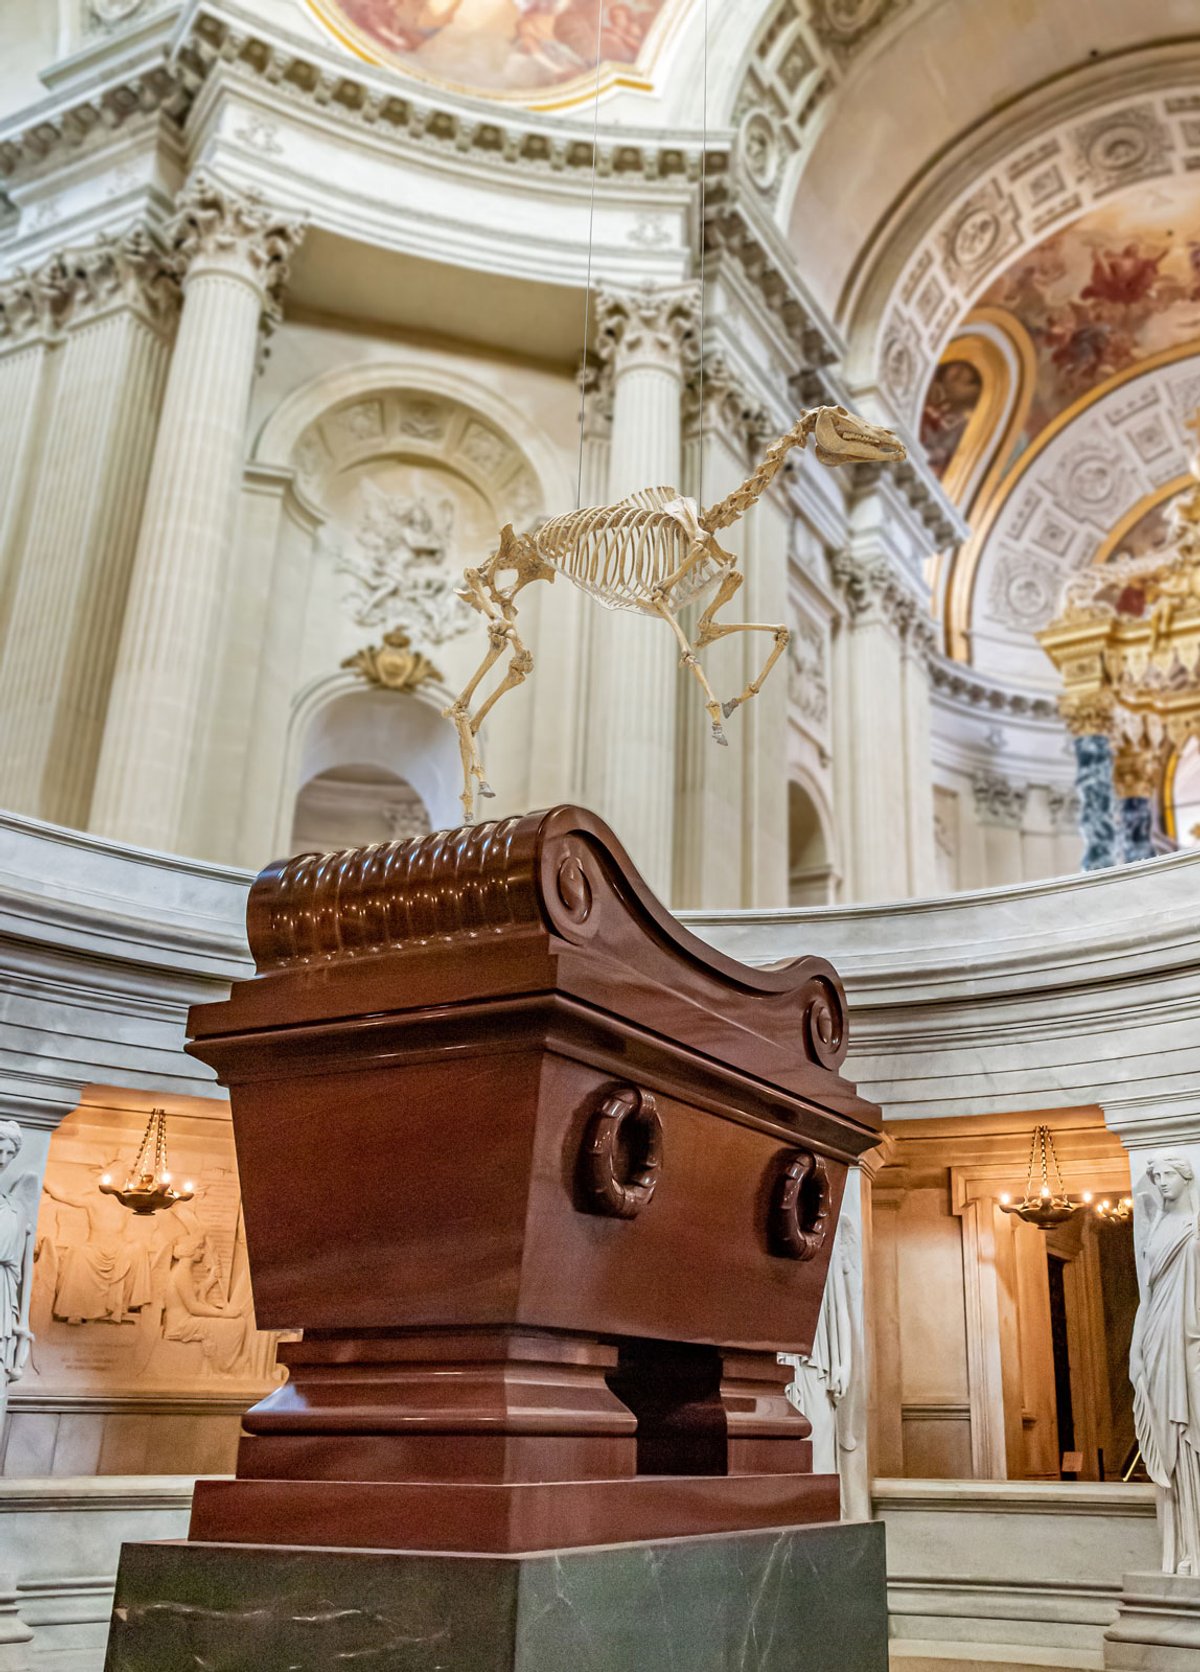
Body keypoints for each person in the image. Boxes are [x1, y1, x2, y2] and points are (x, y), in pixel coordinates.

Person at [1131, 1155, 1200, 1573]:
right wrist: (1135, 1352)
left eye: (1168, 1175)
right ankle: (1178, 1548)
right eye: (1155, 1176)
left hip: (1188, 1341)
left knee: (1188, 1431)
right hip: (1158, 1337)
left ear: (1186, 1176)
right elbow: (1147, 1298)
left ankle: (1193, 1547)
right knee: (1165, 1433)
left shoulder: (1195, 1229)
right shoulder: (1154, 1228)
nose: (1161, 1183)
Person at [0, 1122, 38, 1437]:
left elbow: (22, 1270)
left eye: (9, 1152)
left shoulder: (13, 1207)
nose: (3, 1157)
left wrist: (20, 1323)